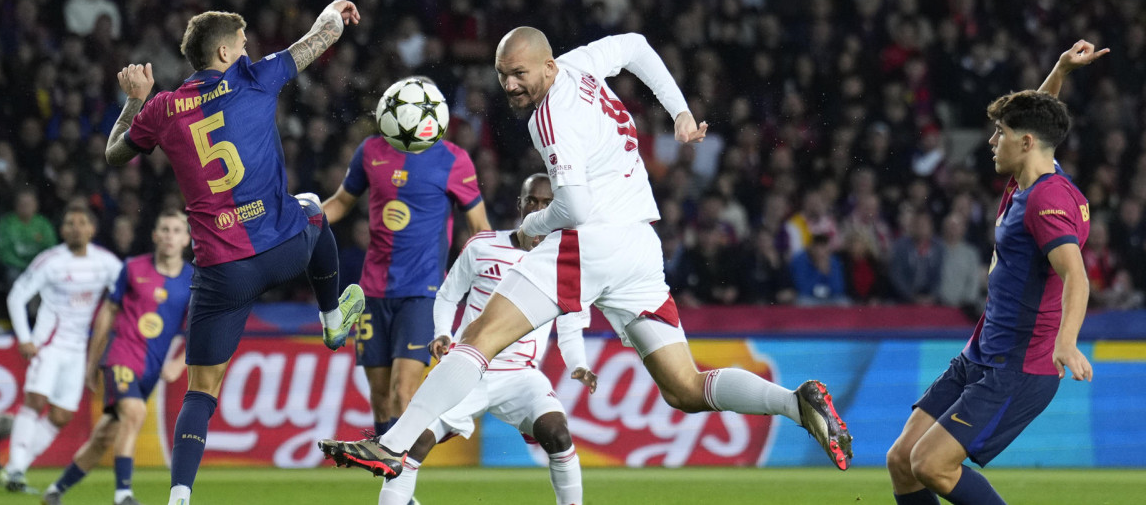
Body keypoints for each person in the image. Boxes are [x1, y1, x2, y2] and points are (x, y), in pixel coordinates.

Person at [319, 28, 853, 478]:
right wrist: (680, 112)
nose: (509, 84)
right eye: (503, 74)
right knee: (685, 387)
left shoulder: (550, 117)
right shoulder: (579, 66)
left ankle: (395, 444)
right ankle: (795, 402)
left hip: (592, 239)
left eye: (520, 74)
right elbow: (638, 46)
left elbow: (572, 204)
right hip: (640, 244)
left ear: (547, 67)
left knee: (478, 336)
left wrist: (533, 223)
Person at [102, 0, 367, 505]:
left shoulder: (161, 109)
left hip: (222, 274)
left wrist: (135, 99)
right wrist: (333, 9)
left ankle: (180, 494)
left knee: (201, 391)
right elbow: (321, 37)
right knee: (313, 206)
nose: (249, 49)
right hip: (282, 248)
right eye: (243, 43)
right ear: (224, 50)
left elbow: (114, 153)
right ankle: (332, 318)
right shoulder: (255, 78)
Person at [886, 40, 1106, 505]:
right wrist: (1060, 69)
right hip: (982, 354)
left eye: (999, 133)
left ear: (1024, 144)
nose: (991, 141)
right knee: (902, 460)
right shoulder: (1033, 175)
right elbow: (1036, 117)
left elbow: (1076, 277)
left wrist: (1067, 343)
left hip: (1019, 368)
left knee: (931, 465)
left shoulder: (1047, 204)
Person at [375, 173, 591, 505]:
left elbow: (571, 322)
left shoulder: (565, 262)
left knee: (558, 434)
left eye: (547, 203)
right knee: (412, 444)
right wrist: (443, 333)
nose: (538, 208)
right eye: (531, 200)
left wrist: (578, 363)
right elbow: (448, 296)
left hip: (521, 375)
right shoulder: (484, 245)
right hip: (469, 370)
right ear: (520, 204)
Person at [320, 76, 489, 438]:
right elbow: (340, 204)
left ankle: (399, 485)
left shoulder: (454, 160)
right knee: (381, 398)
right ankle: (395, 490)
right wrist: (298, 221)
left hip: (422, 292)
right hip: (373, 291)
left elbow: (479, 228)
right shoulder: (370, 151)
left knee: (403, 392)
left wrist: (483, 283)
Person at [41, 210, 193, 505]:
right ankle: (123, 494)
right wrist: (92, 362)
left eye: (176, 230)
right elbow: (107, 313)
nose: (170, 235)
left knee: (104, 437)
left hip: (151, 368)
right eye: (165, 228)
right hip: (122, 355)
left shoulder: (192, 280)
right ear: (155, 235)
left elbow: (199, 329)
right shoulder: (133, 268)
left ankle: (55, 492)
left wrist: (180, 361)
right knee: (135, 413)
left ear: (186, 239)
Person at [0, 204, 123, 492]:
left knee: (61, 416)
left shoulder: (105, 262)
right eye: (69, 223)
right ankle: (16, 470)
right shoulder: (50, 261)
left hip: (78, 350)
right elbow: (17, 296)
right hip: (49, 344)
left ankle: (15, 468)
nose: (75, 228)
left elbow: (127, 289)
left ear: (92, 229)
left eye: (82, 223)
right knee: (36, 400)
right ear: (62, 230)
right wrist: (25, 337)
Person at [0, 188, 58, 285]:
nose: (25, 207)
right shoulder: (6, 223)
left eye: (28, 204)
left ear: (36, 205)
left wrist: (35, 267)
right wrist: (24, 266)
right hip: (15, 267)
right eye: (22, 204)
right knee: (12, 275)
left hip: (39, 267)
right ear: (16, 205)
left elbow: (50, 249)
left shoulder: (44, 224)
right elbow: (4, 252)